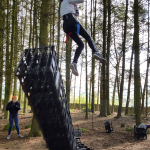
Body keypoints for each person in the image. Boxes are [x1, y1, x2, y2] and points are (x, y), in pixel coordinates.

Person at [60, 0, 107, 76]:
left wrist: (75, 6)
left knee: (81, 45)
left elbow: (76, 13)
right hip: (71, 19)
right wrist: (75, 4)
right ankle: (96, 52)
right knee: (88, 37)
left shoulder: (64, 4)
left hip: (66, 26)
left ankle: (74, 63)